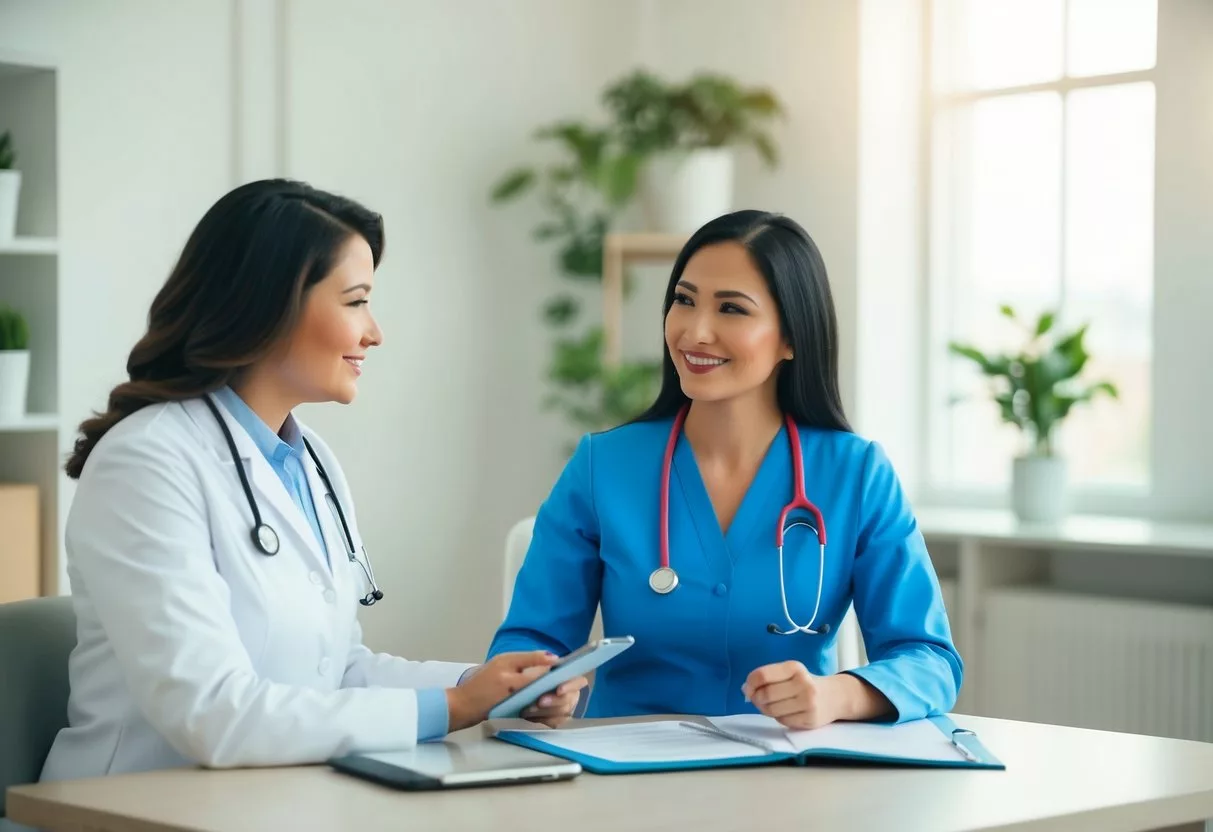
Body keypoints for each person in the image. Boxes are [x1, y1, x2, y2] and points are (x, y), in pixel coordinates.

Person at [40, 179, 584, 783]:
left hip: (272, 798)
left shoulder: (309, 460)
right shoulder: (145, 462)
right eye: (356, 302)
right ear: (270, 305)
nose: (374, 332)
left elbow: (336, 669)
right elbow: (212, 715)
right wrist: (454, 709)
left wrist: (485, 686)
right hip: (129, 807)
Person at [487, 210, 962, 729]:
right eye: (684, 301)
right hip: (627, 779)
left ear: (791, 337)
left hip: (790, 782)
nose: (696, 331)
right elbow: (527, 641)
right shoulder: (603, 468)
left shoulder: (857, 475)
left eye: (732, 309)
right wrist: (536, 685)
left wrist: (837, 696)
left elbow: (930, 661)